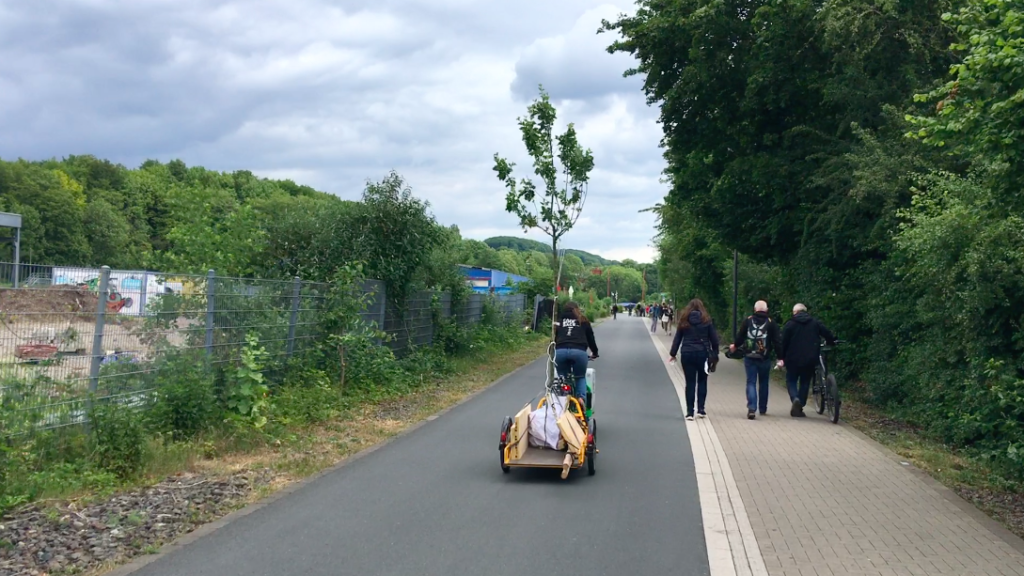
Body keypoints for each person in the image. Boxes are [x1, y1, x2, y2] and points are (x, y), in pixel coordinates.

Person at [778, 303, 836, 417]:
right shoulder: (815, 323)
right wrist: (833, 340)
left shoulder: (790, 324)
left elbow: (783, 342)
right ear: (805, 311)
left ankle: (795, 399)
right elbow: (827, 333)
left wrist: (781, 357)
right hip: (810, 358)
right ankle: (800, 403)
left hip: (792, 358)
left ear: (795, 312)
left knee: (791, 380)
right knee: (805, 382)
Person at [668, 298, 720, 420]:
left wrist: (673, 354)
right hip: (703, 354)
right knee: (702, 381)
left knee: (690, 383)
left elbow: (677, 339)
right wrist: (715, 353)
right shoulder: (706, 320)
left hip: (687, 353)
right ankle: (701, 409)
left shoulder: (684, 320)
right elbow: (714, 339)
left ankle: (690, 412)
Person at [730, 300, 782, 419]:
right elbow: (777, 341)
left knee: (751, 382)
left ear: (755, 310)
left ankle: (752, 408)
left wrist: (735, 345)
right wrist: (780, 358)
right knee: (764, 383)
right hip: (764, 357)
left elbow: (741, 336)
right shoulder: (771, 323)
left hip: (749, 357)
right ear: (766, 310)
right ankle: (762, 408)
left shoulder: (748, 321)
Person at [554, 301, 599, 408]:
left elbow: (556, 339)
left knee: (562, 378)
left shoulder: (559, 321)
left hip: (560, 351)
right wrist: (595, 352)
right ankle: (580, 399)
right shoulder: (583, 321)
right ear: (577, 309)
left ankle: (561, 401)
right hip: (579, 352)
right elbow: (591, 339)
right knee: (580, 377)